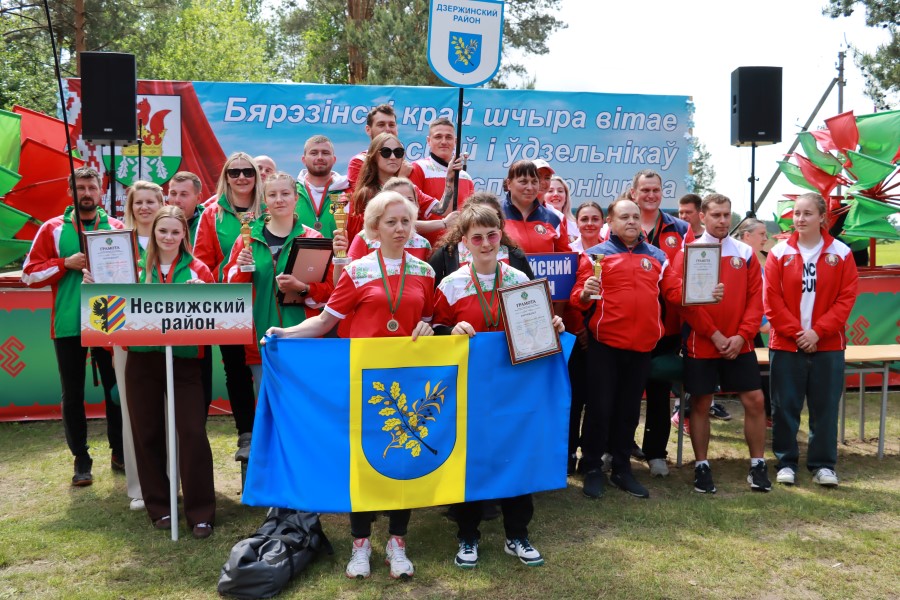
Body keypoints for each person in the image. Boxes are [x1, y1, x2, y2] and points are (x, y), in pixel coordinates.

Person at [266, 191, 435, 580]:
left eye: (406, 221)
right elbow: (326, 321)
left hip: (407, 381)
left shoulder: (425, 272)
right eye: (391, 222)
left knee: (402, 457)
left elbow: (428, 321)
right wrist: (286, 333)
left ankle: (397, 542)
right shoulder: (358, 271)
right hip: (363, 382)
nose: (400, 228)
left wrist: (429, 329)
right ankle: (360, 544)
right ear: (374, 227)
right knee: (362, 457)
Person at [433, 203, 564, 569]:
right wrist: (450, 330)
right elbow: (435, 329)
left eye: (492, 235)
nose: (486, 243)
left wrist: (553, 324)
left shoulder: (520, 280)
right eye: (477, 237)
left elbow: (537, 328)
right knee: (470, 459)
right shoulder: (451, 285)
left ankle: (517, 534)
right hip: (470, 390)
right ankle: (468, 535)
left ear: (501, 236)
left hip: (514, 389)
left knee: (516, 456)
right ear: (464, 241)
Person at [570, 198, 717, 500]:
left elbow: (673, 292)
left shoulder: (658, 256)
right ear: (610, 223)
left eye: (635, 217)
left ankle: (622, 468)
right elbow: (577, 297)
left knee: (628, 410)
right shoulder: (595, 255)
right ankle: (593, 467)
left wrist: (701, 293)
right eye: (624, 217)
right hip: (605, 345)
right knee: (599, 408)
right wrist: (584, 293)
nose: (631, 222)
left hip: (642, 347)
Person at [21, 166, 124, 486]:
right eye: (80, 188)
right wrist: (64, 263)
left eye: (92, 187)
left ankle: (120, 451)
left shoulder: (118, 227)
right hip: (69, 321)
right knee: (73, 393)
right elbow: (28, 274)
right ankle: (81, 458)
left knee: (116, 390)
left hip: (111, 320)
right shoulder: (52, 228)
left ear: (101, 190)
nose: (87, 193)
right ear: (71, 192)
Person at [122, 206, 217, 537]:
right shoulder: (134, 268)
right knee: (147, 432)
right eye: (163, 231)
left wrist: (204, 294)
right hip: (142, 359)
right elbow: (113, 306)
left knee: (192, 432)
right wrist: (97, 284)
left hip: (185, 360)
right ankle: (159, 506)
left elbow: (215, 315)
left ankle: (201, 511)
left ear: (184, 235)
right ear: (153, 232)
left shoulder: (198, 268)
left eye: (175, 232)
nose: (168, 237)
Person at [674, 194, 768, 494]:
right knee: (701, 403)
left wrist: (742, 335)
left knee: (755, 400)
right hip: (702, 343)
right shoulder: (689, 251)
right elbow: (682, 300)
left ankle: (758, 464)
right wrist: (713, 334)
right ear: (702, 217)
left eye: (727, 214)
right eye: (716, 215)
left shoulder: (745, 252)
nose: (723, 220)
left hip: (739, 343)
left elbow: (756, 299)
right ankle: (702, 466)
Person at [765, 192, 858, 487]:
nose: (800, 219)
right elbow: (772, 302)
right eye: (796, 213)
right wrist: (798, 334)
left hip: (827, 345)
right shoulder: (778, 253)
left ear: (822, 218)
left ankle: (823, 465)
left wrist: (818, 332)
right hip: (786, 344)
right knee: (784, 407)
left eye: (807, 213)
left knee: (825, 408)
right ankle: (786, 462)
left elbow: (846, 299)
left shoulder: (841, 253)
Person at [224, 172, 332, 387]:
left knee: (302, 400)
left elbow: (328, 292)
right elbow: (233, 292)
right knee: (268, 401)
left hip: (303, 338)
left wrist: (303, 288)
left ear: (296, 198)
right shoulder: (247, 238)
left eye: (285, 194)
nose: (279, 199)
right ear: (265, 200)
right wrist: (242, 269)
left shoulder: (313, 238)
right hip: (261, 338)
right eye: (272, 195)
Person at [194, 152, 264, 461]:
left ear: (256, 175)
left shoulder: (269, 208)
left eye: (248, 171)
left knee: (267, 366)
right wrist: (227, 275)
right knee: (236, 369)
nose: (241, 177)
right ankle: (246, 433)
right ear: (225, 177)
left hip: (265, 297)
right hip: (229, 302)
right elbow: (201, 261)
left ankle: (273, 430)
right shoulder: (212, 213)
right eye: (234, 172)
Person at [630, 169, 688, 476]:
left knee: (659, 390)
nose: (650, 195)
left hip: (668, 327)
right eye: (645, 190)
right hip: (629, 326)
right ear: (634, 193)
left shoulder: (680, 229)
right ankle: (621, 447)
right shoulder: (623, 224)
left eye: (655, 190)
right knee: (626, 390)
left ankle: (656, 453)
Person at [116, 180, 164, 509]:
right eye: (138, 202)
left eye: (150, 201)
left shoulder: (173, 237)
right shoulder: (117, 244)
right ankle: (139, 488)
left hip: (172, 337)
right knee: (135, 413)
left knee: (171, 413)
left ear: (161, 204)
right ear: (130, 207)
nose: (144, 207)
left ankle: (172, 481)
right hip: (128, 339)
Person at [350, 133, 453, 240]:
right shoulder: (367, 192)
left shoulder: (410, 187)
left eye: (398, 152)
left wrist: (450, 177)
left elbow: (442, 210)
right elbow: (392, 224)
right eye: (386, 152)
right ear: (374, 157)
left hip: (408, 248)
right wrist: (442, 223)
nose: (393, 157)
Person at [564, 202, 604, 473]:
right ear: (576, 222)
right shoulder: (568, 253)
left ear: (603, 222)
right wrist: (578, 329)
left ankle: (592, 454)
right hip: (572, 335)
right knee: (573, 399)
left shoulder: (610, 251)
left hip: (600, 336)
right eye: (584, 219)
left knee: (596, 399)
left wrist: (591, 330)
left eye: (595, 219)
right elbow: (562, 296)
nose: (589, 224)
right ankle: (568, 452)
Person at [429, 191, 534, 284]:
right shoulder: (446, 255)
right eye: (480, 215)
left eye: (492, 216)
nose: (485, 221)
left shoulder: (515, 256)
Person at [408, 117, 470, 245]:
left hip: (460, 247)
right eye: (438, 137)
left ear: (455, 141)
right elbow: (408, 216)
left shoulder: (465, 177)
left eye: (448, 137)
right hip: (427, 248)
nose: (444, 141)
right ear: (428, 141)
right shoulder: (418, 168)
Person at [734, 218, 772, 427]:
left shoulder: (759, 264)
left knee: (762, 374)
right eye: (762, 234)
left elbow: (762, 299)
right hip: (737, 330)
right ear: (747, 236)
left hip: (751, 329)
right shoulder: (737, 262)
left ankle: (767, 415)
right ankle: (685, 412)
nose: (766, 238)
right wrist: (761, 322)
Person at [501, 160, 570, 254]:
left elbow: (566, 258)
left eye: (534, 182)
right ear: (509, 184)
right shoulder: (494, 214)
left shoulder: (553, 219)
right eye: (523, 182)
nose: (530, 188)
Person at [295, 135, 350, 237]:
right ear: (304, 159)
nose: (320, 157)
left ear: (334, 159)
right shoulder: (292, 192)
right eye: (314, 153)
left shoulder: (348, 192)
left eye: (325, 153)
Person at [347, 104, 410, 193]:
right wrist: (401, 179)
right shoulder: (359, 162)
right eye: (381, 125)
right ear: (368, 130)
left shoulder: (405, 165)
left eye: (391, 125)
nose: (387, 129)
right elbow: (362, 199)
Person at [166, 171, 206, 243]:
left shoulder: (210, 225)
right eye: (173, 193)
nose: (177, 200)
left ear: (198, 198)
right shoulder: (157, 222)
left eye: (183, 194)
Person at [545, 176, 577, 244]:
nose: (556, 194)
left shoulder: (576, 226)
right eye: (550, 191)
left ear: (566, 197)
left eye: (560, 191)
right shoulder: (536, 224)